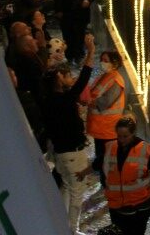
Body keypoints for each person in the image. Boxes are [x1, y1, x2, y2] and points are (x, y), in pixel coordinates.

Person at [42, 30, 96, 235]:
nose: (71, 78)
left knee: (65, 187)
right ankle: (71, 230)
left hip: (60, 153)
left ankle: (62, 225)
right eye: (67, 76)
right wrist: (91, 52)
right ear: (58, 80)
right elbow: (84, 79)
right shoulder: (62, 100)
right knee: (76, 192)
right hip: (72, 154)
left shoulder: (48, 101)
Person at [102, 113, 150, 235]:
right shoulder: (110, 146)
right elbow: (99, 163)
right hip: (118, 204)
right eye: (119, 136)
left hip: (142, 201)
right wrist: (83, 172)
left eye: (125, 136)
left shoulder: (144, 148)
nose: (121, 140)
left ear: (133, 134)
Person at [86, 49, 127, 185]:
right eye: (102, 60)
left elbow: (105, 101)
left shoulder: (116, 80)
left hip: (108, 129)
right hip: (101, 128)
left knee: (106, 160)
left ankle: (109, 185)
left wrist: (90, 102)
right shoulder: (104, 76)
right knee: (103, 158)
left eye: (106, 60)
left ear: (114, 63)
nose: (102, 63)